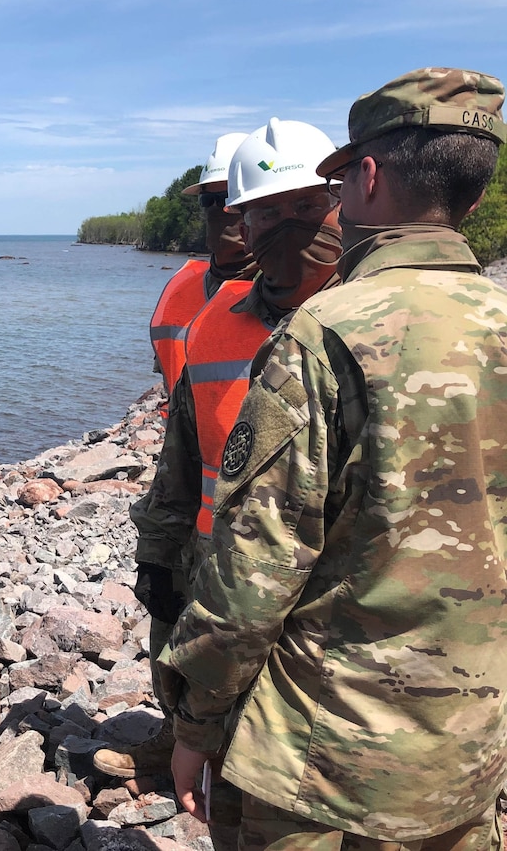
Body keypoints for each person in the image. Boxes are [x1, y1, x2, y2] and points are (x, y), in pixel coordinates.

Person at [163, 67, 507, 849]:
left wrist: (197, 720)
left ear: (367, 176)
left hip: (323, 761)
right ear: (475, 197)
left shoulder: (328, 335)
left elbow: (259, 568)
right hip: (470, 749)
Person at [112, 118, 344, 849]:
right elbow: (181, 461)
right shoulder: (209, 319)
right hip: (227, 595)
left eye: (306, 208)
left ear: (344, 200)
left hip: (343, 624)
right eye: (260, 211)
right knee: (241, 810)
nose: (281, 229)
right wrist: (160, 556)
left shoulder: (372, 326)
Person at [96, 131, 256, 780]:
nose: (227, 216)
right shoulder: (181, 294)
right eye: (214, 202)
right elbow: (179, 426)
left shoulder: (310, 297)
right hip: (192, 507)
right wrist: (159, 544)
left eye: (240, 201)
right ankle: (179, 737)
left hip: (275, 524)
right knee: (172, 634)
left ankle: (239, 769)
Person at [146, 132, 258, 419]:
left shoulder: (298, 291)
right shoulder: (178, 293)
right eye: (209, 200)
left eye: (230, 198)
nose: (220, 210)